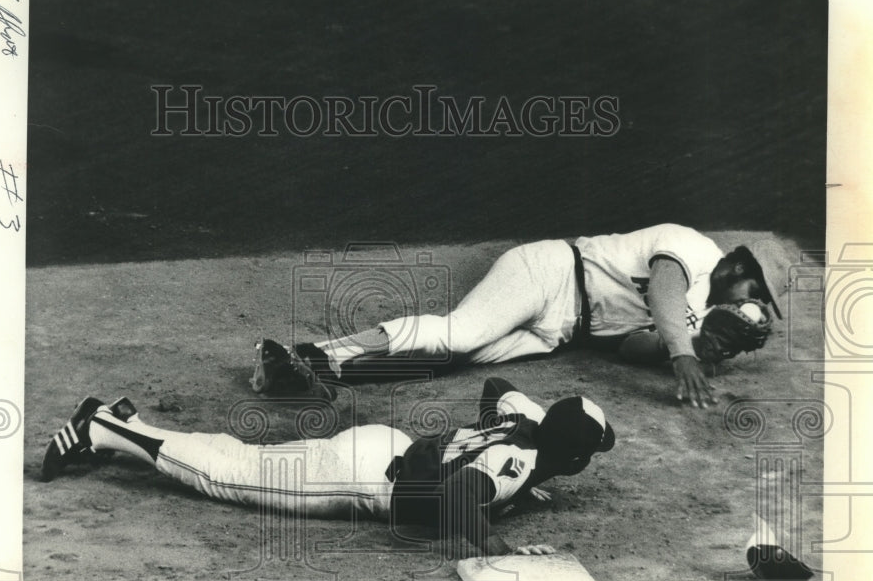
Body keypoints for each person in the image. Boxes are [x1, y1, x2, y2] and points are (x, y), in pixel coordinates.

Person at [41, 377, 615, 558]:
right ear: (572, 457)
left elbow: (497, 392)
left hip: (385, 445)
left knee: (241, 461)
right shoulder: (516, 463)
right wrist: (499, 550)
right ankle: (103, 427)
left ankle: (127, 423)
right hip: (363, 477)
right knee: (228, 476)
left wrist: (508, 476)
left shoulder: (526, 419)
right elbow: (464, 494)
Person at [252, 224, 790, 409]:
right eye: (755, 288)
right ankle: (317, 352)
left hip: (561, 329)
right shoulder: (692, 248)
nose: (753, 300)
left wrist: (710, 349)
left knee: (453, 358)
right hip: (551, 271)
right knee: (460, 333)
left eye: (759, 302)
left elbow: (630, 344)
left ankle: (304, 370)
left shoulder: (697, 313)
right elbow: (665, 296)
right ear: (739, 263)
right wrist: (685, 352)